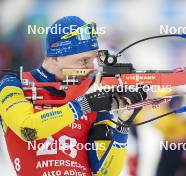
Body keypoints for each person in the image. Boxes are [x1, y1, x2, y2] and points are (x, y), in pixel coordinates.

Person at [0, 16, 146, 176]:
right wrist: (84, 105)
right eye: (83, 61)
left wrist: (123, 126)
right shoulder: (14, 83)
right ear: (55, 58)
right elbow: (28, 129)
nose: (91, 68)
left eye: (93, 60)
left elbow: (105, 172)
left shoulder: (91, 91)